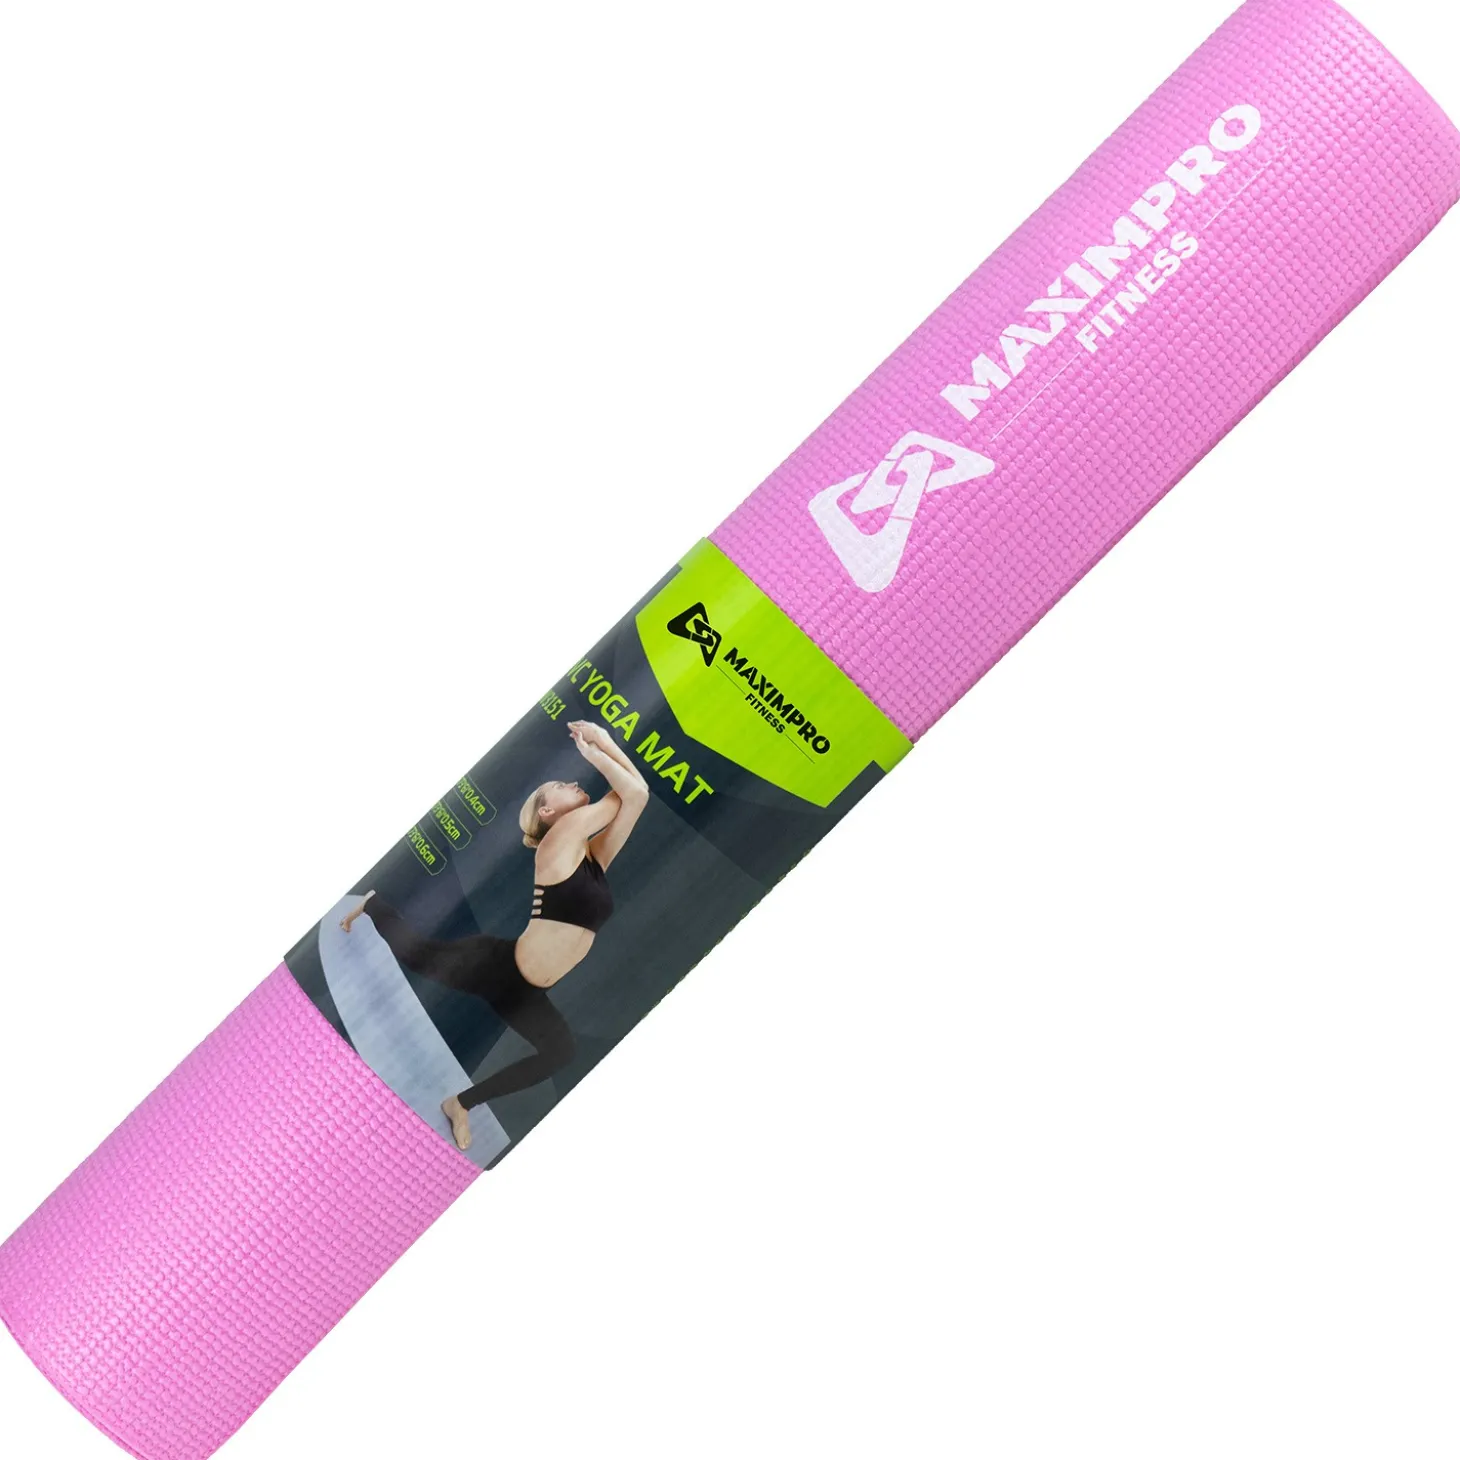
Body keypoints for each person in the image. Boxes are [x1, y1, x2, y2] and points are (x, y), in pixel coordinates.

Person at [339, 719, 648, 1150]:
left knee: (560, 1052)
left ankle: (459, 1104)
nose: (573, 782)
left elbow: (637, 794)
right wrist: (594, 750)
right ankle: (373, 906)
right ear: (547, 813)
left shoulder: (593, 857)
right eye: (561, 785)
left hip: (524, 992)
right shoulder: (556, 842)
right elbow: (629, 792)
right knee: (417, 955)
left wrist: (604, 739)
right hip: (493, 967)